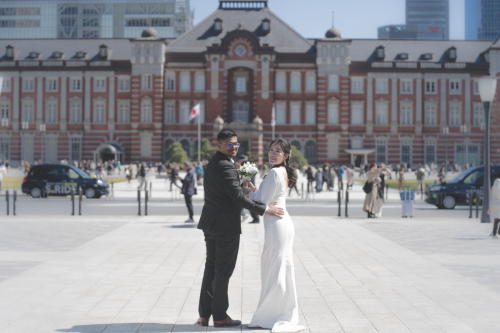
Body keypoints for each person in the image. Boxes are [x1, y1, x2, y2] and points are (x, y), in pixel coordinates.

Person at [196, 129, 283, 328]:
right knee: (223, 270)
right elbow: (236, 198)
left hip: (211, 223)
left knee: (211, 268)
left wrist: (245, 188)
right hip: (224, 226)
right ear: (219, 144)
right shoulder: (226, 166)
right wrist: (264, 209)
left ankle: (204, 314)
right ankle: (219, 315)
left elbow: (227, 191)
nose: (234, 146)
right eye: (229, 143)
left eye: (236, 143)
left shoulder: (214, 163)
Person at [244, 139, 305, 333]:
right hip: (283, 222)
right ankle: (282, 312)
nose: (273, 153)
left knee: (274, 268)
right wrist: (254, 191)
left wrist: (249, 193)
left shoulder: (274, 172)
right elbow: (265, 197)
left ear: (285, 155)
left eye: (277, 151)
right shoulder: (283, 171)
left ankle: (270, 315)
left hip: (276, 224)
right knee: (282, 267)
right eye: (271, 150)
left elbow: (263, 201)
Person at [489, 170, 500, 238]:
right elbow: (498, 191)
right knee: (497, 219)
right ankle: (495, 232)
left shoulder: (497, 180)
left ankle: (495, 232)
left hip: (498, 202)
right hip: (498, 202)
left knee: (497, 219)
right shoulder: (498, 181)